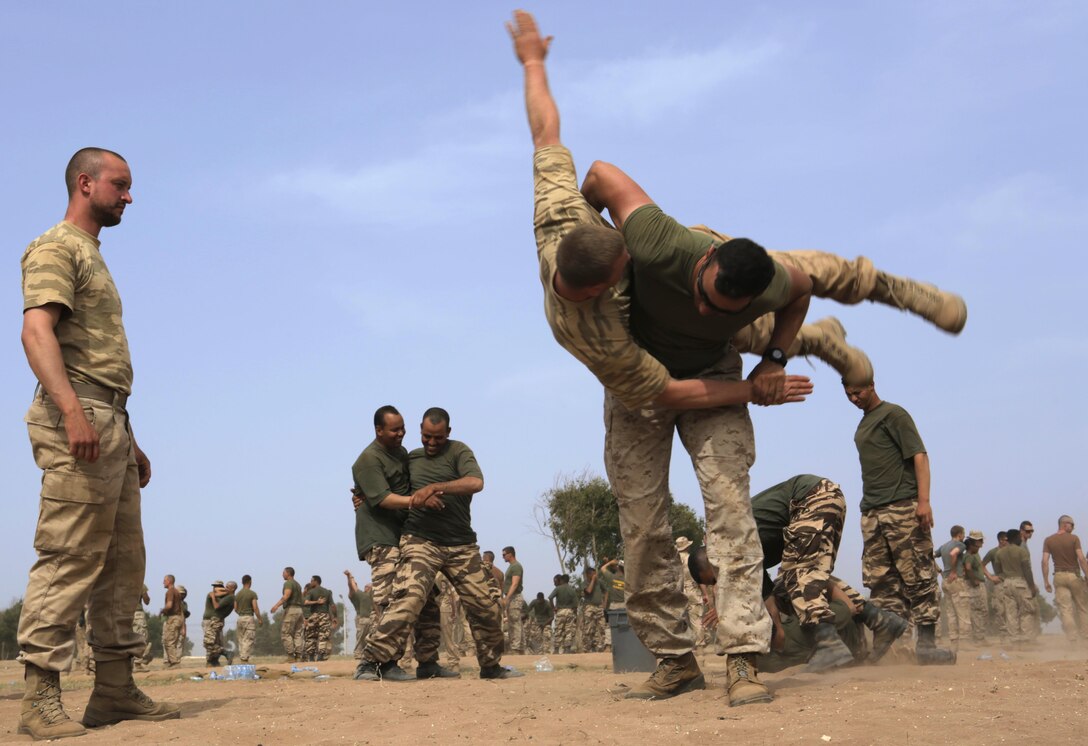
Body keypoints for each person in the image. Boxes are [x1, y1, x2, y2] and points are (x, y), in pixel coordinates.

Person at [15, 147, 179, 739]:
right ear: (85, 184)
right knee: (70, 555)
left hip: (109, 417)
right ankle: (39, 701)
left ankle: (113, 690)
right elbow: (37, 333)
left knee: (122, 563)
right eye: (121, 185)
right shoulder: (57, 247)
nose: (129, 197)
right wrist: (71, 413)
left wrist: (127, 438)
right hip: (78, 415)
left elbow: (97, 359)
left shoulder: (91, 255)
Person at [357, 408, 519, 681]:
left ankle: (491, 666)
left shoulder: (459, 452)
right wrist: (362, 497)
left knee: (486, 606)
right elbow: (384, 488)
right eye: (426, 437)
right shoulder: (411, 458)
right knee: (409, 597)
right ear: (420, 430)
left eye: (438, 438)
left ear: (449, 434)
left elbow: (475, 482)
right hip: (420, 540)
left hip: (461, 545)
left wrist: (435, 487)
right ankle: (370, 662)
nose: (431, 443)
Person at [844, 378, 954, 665]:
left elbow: (919, 455)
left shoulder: (894, 414)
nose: (854, 398)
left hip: (902, 507)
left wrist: (924, 500)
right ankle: (892, 649)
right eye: (848, 394)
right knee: (882, 581)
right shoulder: (864, 424)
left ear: (871, 384)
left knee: (919, 575)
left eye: (858, 392)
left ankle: (927, 645)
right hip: (872, 512)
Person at [350, 405, 443, 676]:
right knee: (391, 598)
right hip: (380, 537)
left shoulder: (401, 453)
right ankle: (381, 663)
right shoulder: (368, 460)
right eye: (395, 429)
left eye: (403, 427)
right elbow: (384, 499)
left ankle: (428, 662)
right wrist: (418, 501)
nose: (401, 433)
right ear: (379, 430)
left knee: (426, 594)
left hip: (404, 535)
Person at [1041, 516, 1088, 642]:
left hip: (1058, 576)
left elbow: (1044, 561)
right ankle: (1085, 636)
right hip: (1074, 576)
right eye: (1072, 525)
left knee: (1065, 609)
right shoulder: (1074, 539)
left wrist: (1046, 581)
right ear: (1065, 524)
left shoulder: (1049, 540)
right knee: (1082, 607)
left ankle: (1072, 637)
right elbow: (1081, 559)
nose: (1073, 528)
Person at [994, 528, 1038, 645]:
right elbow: (1027, 570)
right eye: (1019, 537)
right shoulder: (1021, 551)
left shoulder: (1000, 552)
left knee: (1010, 613)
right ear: (1016, 537)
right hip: (1021, 583)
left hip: (1007, 584)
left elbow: (997, 570)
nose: (1021, 539)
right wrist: (1032, 586)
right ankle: (1026, 639)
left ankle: (1013, 640)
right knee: (1026, 611)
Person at [935, 526, 970, 649]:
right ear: (959, 534)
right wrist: (954, 571)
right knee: (962, 612)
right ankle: (965, 643)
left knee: (951, 613)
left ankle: (954, 642)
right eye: (963, 533)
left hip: (945, 581)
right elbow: (954, 553)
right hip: (956, 580)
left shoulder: (944, 546)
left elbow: (932, 555)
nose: (964, 536)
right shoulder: (960, 545)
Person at [674, 537, 707, 653]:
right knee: (697, 620)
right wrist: (705, 593)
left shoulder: (674, 561)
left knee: (681, 620)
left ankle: (684, 647)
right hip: (693, 591)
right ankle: (700, 649)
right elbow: (699, 578)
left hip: (678, 593)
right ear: (687, 546)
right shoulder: (691, 560)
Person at [963, 532, 995, 645]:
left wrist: (989, 577)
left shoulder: (976, 554)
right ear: (975, 542)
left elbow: (980, 566)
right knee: (978, 611)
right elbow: (968, 568)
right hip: (974, 587)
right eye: (980, 540)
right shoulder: (969, 555)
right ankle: (979, 638)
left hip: (979, 585)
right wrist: (973, 580)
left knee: (982, 611)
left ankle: (979, 637)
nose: (982, 543)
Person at [269, 567, 305, 662]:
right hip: (299, 610)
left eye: (283, 572)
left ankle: (290, 656)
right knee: (298, 633)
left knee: (286, 632)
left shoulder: (288, 583)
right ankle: (298, 656)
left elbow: (286, 595)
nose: (282, 574)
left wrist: (276, 606)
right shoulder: (298, 584)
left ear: (288, 573)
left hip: (291, 609)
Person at [982, 532, 1009, 637]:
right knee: (1000, 609)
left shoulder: (1011, 551)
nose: (1006, 542)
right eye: (1005, 540)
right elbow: (982, 564)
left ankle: (1014, 634)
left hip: (1012, 583)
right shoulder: (993, 552)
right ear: (1000, 540)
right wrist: (990, 577)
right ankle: (1003, 635)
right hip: (1000, 584)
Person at [202, 581, 235, 666]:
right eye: (215, 586)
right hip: (215, 620)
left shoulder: (228, 597)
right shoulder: (217, 595)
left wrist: (215, 596)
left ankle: (222, 655)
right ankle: (213, 661)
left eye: (219, 586)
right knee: (211, 642)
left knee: (209, 642)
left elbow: (217, 606)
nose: (215, 588)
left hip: (215, 620)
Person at [502, 547, 526, 655]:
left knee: (514, 623)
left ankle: (515, 648)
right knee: (515, 622)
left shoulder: (516, 566)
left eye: (504, 554)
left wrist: (507, 598)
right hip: (511, 597)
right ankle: (520, 648)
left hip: (514, 597)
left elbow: (515, 584)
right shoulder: (511, 566)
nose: (503, 557)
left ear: (510, 554)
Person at [345, 571, 374, 660]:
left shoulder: (368, 596)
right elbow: (352, 587)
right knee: (361, 636)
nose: (365, 587)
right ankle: (358, 654)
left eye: (367, 586)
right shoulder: (361, 596)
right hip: (362, 617)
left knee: (367, 638)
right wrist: (350, 577)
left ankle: (365, 654)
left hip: (370, 618)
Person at [234, 575, 261, 664]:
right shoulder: (252, 594)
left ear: (242, 582)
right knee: (248, 639)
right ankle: (244, 659)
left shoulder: (238, 594)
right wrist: (259, 619)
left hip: (240, 618)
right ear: (250, 581)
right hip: (249, 617)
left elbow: (235, 608)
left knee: (241, 639)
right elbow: (255, 607)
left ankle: (242, 657)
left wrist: (240, 613)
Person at [549, 575, 578, 654]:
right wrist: (575, 615)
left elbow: (550, 597)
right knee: (569, 630)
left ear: (561, 580)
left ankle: (556, 649)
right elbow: (575, 605)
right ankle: (567, 649)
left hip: (560, 611)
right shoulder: (572, 590)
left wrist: (553, 608)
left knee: (558, 630)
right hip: (570, 611)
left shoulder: (558, 588)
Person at [581, 567, 606, 653]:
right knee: (588, 628)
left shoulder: (599, 582)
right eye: (593, 574)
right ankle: (587, 648)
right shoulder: (584, 583)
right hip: (589, 607)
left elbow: (606, 591)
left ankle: (602, 646)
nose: (595, 576)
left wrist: (604, 604)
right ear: (588, 575)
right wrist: (592, 581)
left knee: (602, 627)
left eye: (595, 574)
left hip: (599, 607)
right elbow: (589, 590)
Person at [133, 585, 153, 672]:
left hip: (123, 614)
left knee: (128, 639)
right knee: (141, 638)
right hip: (137, 614)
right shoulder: (139, 582)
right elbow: (147, 600)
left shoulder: (120, 581)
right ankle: (137, 664)